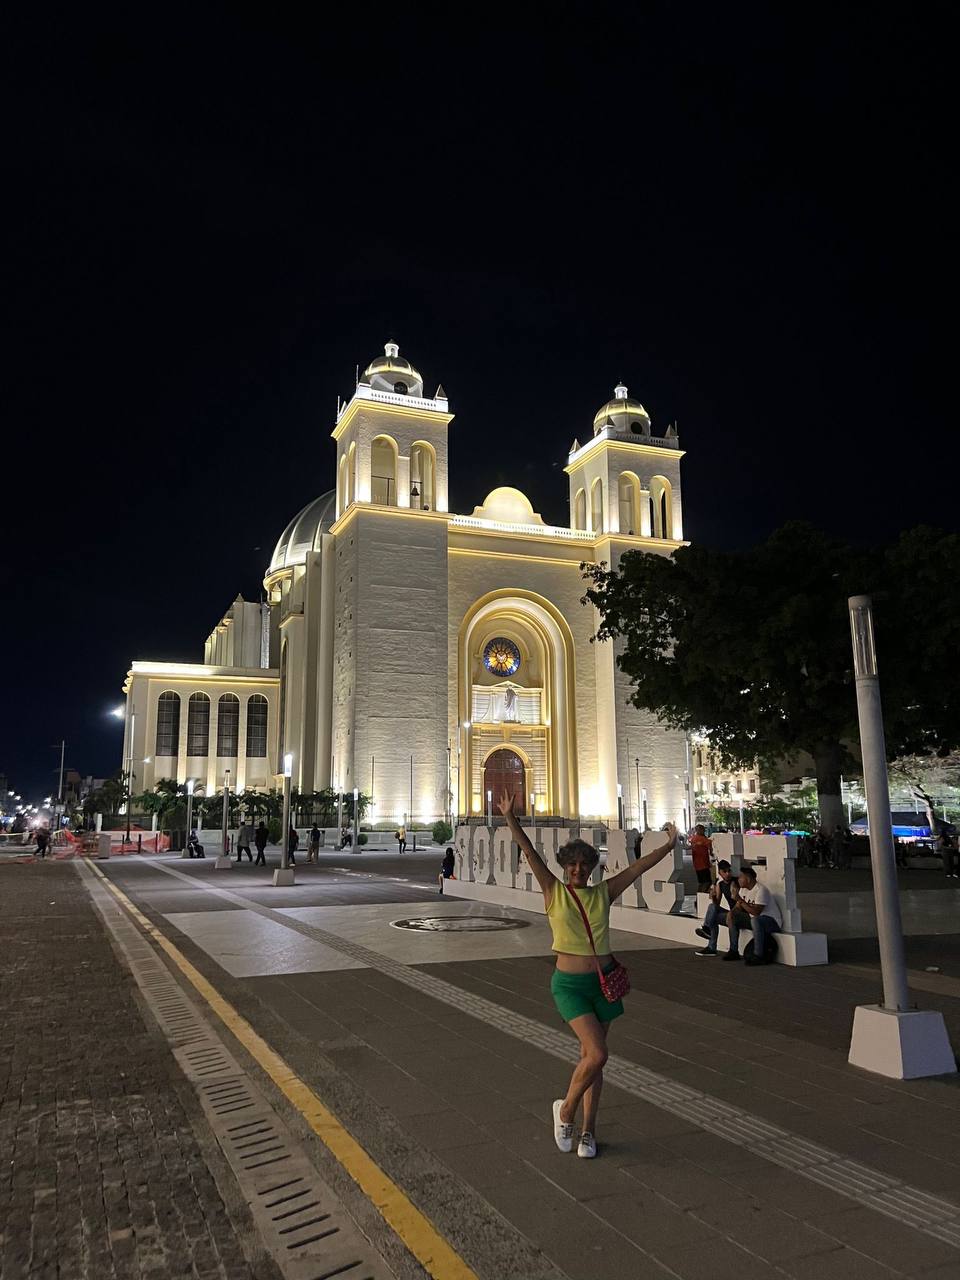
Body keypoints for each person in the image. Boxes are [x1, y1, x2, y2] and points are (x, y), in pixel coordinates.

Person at [499, 790, 678, 1158]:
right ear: (565, 866)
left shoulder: (604, 893)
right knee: (597, 1054)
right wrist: (509, 817)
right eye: (573, 864)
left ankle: (588, 1132)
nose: (579, 869)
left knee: (590, 1059)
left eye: (585, 864)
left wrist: (670, 844)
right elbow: (530, 853)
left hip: (603, 984)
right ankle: (564, 1110)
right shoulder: (554, 892)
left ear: (593, 867)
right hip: (569, 986)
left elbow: (637, 868)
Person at [727, 863, 782, 964]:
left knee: (755, 920)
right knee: (732, 916)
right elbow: (738, 908)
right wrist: (731, 914)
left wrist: (740, 900)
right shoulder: (743, 890)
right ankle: (733, 950)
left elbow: (756, 912)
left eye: (740, 877)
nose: (738, 880)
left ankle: (758, 955)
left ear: (747, 878)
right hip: (754, 921)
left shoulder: (761, 890)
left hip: (771, 921)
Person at [694, 859, 739, 956]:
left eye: (729, 871)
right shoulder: (720, 885)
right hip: (731, 912)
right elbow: (716, 904)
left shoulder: (736, 882)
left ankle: (707, 930)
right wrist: (713, 896)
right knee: (712, 908)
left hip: (738, 912)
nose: (727, 874)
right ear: (720, 873)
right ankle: (711, 946)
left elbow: (739, 901)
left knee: (714, 915)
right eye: (725, 872)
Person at [688, 824, 713, 892]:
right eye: (703, 830)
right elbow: (709, 844)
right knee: (707, 882)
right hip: (704, 864)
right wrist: (711, 852)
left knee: (701, 882)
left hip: (697, 864)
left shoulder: (693, 838)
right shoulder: (702, 838)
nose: (704, 831)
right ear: (700, 830)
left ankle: (698, 898)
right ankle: (701, 896)